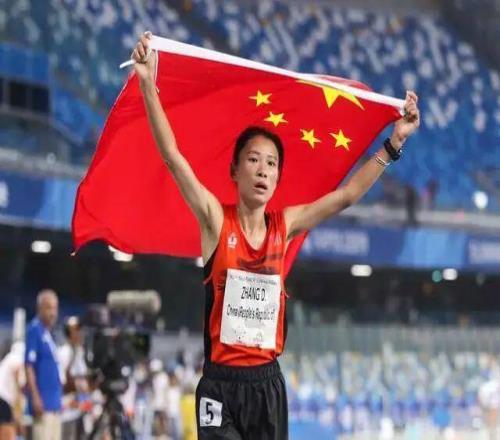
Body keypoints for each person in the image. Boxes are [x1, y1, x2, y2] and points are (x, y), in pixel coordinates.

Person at [131, 31, 420, 439]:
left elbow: (346, 197)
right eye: (253, 160)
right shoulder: (215, 221)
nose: (263, 170)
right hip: (219, 387)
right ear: (235, 170)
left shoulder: (284, 227)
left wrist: (393, 143)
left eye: (271, 163)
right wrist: (147, 83)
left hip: (267, 388)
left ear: (278, 178)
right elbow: (173, 158)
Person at [25, 289, 63, 440]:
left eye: (55, 308)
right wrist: (35, 397)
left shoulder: (50, 334)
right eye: (48, 308)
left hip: (54, 404)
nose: (53, 313)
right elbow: (29, 366)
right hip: (43, 403)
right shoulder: (35, 330)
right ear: (39, 308)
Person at [0, 341, 25, 440]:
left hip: (3, 399)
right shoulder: (17, 360)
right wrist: (18, 415)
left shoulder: (6, 360)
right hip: (3, 400)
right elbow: (17, 387)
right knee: (8, 434)